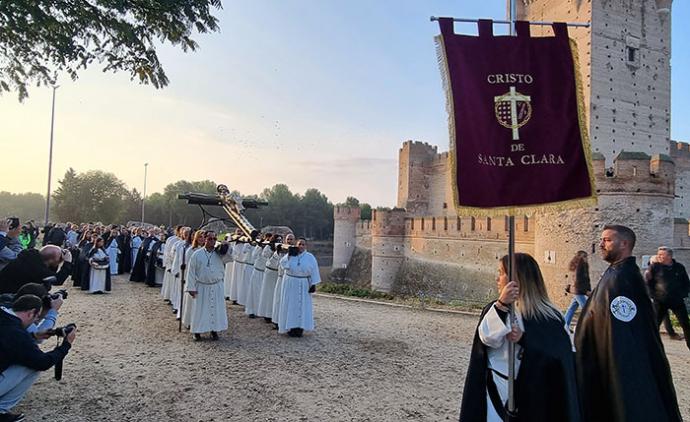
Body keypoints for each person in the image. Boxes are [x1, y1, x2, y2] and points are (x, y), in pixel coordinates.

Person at [575, 225, 681, 422]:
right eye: (601, 240)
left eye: (607, 240)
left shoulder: (622, 279)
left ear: (624, 244)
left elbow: (623, 335)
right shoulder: (616, 273)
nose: (601, 244)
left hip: (619, 369)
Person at [459, 253, 580, 422]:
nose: (497, 278)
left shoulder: (552, 316)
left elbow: (563, 354)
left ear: (517, 279)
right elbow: (487, 338)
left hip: (535, 395)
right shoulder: (498, 310)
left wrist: (526, 339)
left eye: (501, 273)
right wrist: (501, 304)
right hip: (497, 392)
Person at [0, 295, 75, 421]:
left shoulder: (4, 315)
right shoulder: (16, 333)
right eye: (37, 317)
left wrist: (33, 336)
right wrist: (66, 345)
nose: (35, 322)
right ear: (31, 313)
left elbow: (7, 342)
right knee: (30, 367)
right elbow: (42, 362)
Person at [185, 231, 229, 341]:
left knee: (215, 309)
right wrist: (191, 288)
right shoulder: (197, 254)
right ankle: (197, 331)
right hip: (202, 286)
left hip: (216, 285)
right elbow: (191, 272)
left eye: (214, 239)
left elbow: (230, 258)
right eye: (210, 239)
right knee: (200, 310)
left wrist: (227, 247)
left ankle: (214, 330)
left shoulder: (219, 253)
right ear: (205, 239)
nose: (213, 241)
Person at [645, 246, 690, 350]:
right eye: (658, 254)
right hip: (660, 301)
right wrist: (653, 295)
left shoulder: (679, 267)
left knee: (685, 325)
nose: (659, 256)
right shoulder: (654, 267)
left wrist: (683, 294)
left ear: (669, 256)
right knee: (655, 325)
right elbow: (648, 283)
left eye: (661, 255)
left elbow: (686, 282)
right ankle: (650, 349)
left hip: (677, 300)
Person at [277, 238, 321, 337]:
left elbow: (314, 271)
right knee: (291, 306)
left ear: (306, 246)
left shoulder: (310, 257)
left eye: (303, 244)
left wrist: (313, 284)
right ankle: (290, 327)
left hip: (304, 283)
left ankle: (300, 328)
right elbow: (283, 264)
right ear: (296, 245)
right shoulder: (290, 255)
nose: (301, 246)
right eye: (299, 244)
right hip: (291, 283)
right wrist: (288, 255)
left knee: (302, 306)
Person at [0, 246, 72, 294]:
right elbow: (58, 280)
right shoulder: (36, 268)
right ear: (50, 260)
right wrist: (67, 262)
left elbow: (49, 273)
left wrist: (56, 259)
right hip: (6, 297)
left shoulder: (31, 257)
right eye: (59, 259)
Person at [180, 230, 205, 328]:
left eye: (203, 237)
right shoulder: (191, 250)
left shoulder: (208, 251)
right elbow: (188, 268)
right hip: (194, 280)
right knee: (192, 303)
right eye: (200, 237)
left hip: (204, 281)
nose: (202, 239)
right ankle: (190, 322)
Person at [257, 235, 283, 322]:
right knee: (268, 294)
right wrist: (273, 250)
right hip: (270, 272)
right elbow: (265, 255)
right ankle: (267, 314)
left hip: (277, 273)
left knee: (276, 295)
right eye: (277, 240)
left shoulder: (283, 248)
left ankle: (275, 314)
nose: (279, 242)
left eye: (280, 240)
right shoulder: (268, 247)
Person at [563, 251, 591, 331]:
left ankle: (565, 325)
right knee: (586, 309)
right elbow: (578, 281)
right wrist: (586, 291)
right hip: (578, 291)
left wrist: (588, 290)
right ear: (580, 257)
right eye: (585, 256)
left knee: (572, 308)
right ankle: (583, 327)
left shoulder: (581, 266)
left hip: (578, 290)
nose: (586, 258)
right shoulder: (579, 266)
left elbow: (586, 280)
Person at [245, 234, 272, 318]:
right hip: (257, 271)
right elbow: (254, 255)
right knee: (254, 292)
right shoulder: (259, 247)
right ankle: (252, 310)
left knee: (263, 293)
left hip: (265, 273)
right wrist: (259, 247)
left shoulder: (271, 249)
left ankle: (262, 311)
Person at [272, 233, 295, 329]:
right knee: (278, 300)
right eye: (288, 239)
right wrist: (277, 252)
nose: (289, 241)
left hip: (290, 280)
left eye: (291, 239)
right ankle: (277, 321)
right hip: (281, 278)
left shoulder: (295, 251)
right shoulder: (281, 250)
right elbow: (276, 262)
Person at [170, 227, 192, 317]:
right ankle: (179, 308)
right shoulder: (180, 245)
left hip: (190, 273)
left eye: (189, 235)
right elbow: (176, 258)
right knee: (180, 292)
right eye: (185, 235)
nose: (187, 236)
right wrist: (176, 270)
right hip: (182, 271)